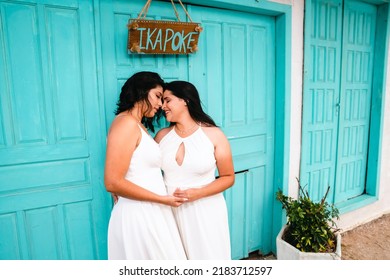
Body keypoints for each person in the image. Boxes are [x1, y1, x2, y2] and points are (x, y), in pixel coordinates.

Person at [104, 72, 187, 260]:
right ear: (141, 91)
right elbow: (112, 182)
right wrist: (162, 199)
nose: (160, 105)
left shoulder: (137, 125)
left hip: (151, 210)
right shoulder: (125, 123)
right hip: (139, 214)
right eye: (157, 96)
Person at [155, 81, 235, 260]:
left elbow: (228, 177)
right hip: (169, 211)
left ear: (185, 100)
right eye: (162, 101)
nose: (163, 106)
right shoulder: (161, 137)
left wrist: (198, 193)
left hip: (205, 210)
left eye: (167, 100)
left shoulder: (213, 135)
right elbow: (145, 169)